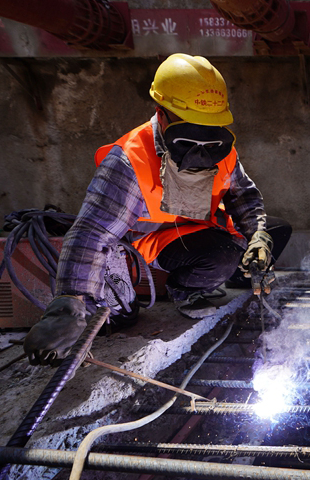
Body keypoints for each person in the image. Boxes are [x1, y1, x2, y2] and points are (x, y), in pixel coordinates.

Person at [23, 53, 291, 366]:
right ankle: (183, 289)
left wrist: (257, 236)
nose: (201, 143)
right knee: (211, 264)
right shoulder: (129, 160)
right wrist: (68, 305)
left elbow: (243, 194)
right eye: (190, 128)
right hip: (156, 240)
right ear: (161, 114)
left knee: (277, 231)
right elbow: (91, 231)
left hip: (201, 226)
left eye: (210, 128)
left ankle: (230, 277)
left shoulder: (222, 150)